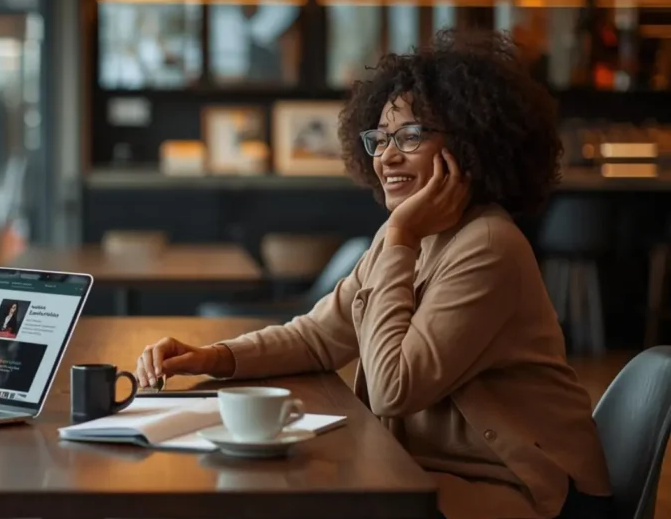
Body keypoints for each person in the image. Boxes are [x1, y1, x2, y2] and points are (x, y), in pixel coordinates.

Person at [134, 29, 613, 519]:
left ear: (470, 145)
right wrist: (211, 357)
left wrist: (402, 234)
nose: (386, 156)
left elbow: (393, 388)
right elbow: (318, 337)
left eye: (410, 136)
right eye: (380, 138)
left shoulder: (486, 244)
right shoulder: (402, 236)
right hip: (427, 468)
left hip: (526, 485)